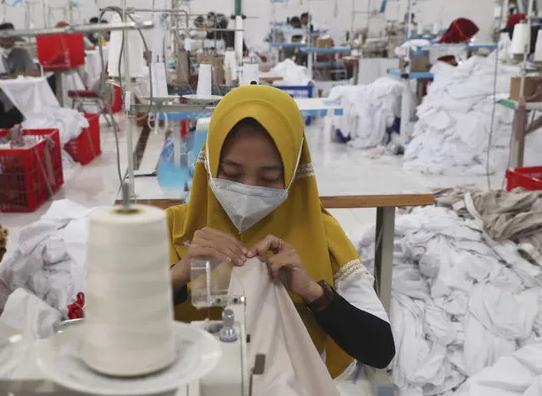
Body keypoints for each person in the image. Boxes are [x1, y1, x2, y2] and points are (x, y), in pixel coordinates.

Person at [167, 85, 396, 378]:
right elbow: (117, 326)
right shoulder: (175, 229)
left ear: (292, 174)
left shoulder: (321, 235)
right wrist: (179, 274)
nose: (248, 189)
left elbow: (380, 351)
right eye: (232, 174)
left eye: (270, 177)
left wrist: (313, 292)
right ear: (209, 163)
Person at [0, 23, 38, 129]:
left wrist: (17, 75)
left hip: (18, 99)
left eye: (9, 43)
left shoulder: (21, 54)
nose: (6, 46)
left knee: (13, 117)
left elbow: (35, 73)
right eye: (3, 44)